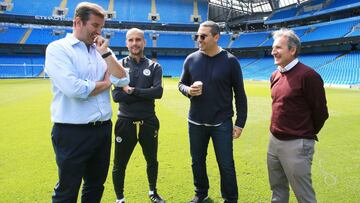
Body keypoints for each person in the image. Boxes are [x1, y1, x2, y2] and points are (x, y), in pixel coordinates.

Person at [45, 2, 129, 202]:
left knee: (95, 186)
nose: (99, 32)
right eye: (95, 25)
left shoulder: (102, 51)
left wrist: (107, 55)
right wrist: (106, 83)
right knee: (67, 189)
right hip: (72, 132)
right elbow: (74, 89)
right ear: (78, 22)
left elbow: (124, 79)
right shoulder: (58, 49)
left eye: (101, 27)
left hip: (102, 130)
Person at [178, 21, 248, 203]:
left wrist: (240, 123)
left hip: (221, 123)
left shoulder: (231, 61)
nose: (198, 39)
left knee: (226, 165)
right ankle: (201, 193)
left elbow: (240, 95)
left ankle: (231, 199)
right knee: (197, 162)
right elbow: (181, 84)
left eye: (203, 36)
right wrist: (188, 90)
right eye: (197, 36)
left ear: (216, 37)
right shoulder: (191, 59)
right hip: (195, 122)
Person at [268, 28, 329, 203]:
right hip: (274, 142)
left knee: (304, 196)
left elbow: (321, 113)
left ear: (292, 50)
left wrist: (302, 134)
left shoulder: (309, 76)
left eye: (278, 47)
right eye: (273, 47)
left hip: (297, 144)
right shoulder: (275, 75)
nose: (273, 51)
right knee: (277, 191)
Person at [111, 28, 165, 203]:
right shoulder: (118, 66)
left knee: (152, 160)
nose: (135, 43)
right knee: (119, 164)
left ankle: (153, 192)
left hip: (148, 121)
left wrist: (132, 91)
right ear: (126, 43)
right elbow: (116, 96)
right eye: (131, 40)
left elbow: (157, 92)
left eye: (138, 40)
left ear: (144, 42)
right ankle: (120, 199)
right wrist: (144, 93)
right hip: (125, 122)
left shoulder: (154, 66)